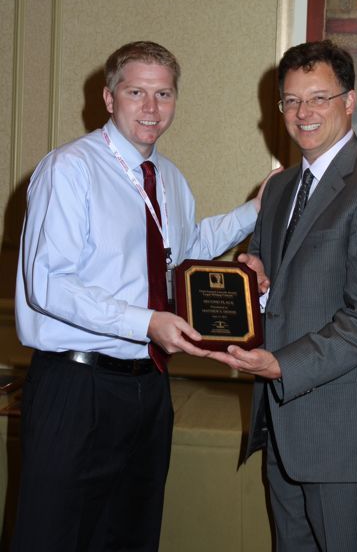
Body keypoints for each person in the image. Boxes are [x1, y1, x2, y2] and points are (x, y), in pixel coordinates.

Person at [12, 40, 274, 552]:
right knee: (54, 537)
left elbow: (184, 251)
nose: (151, 107)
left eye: (164, 94)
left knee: (133, 535)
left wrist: (254, 211)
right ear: (109, 98)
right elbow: (48, 284)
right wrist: (146, 322)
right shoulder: (71, 169)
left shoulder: (168, 177)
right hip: (77, 387)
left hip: (149, 388)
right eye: (136, 92)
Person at [208, 40, 357, 551]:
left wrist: (280, 365)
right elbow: (274, 285)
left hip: (350, 437)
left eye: (319, 98)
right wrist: (255, 283)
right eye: (291, 100)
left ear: (349, 101)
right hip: (284, 431)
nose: (303, 113)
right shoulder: (280, 189)